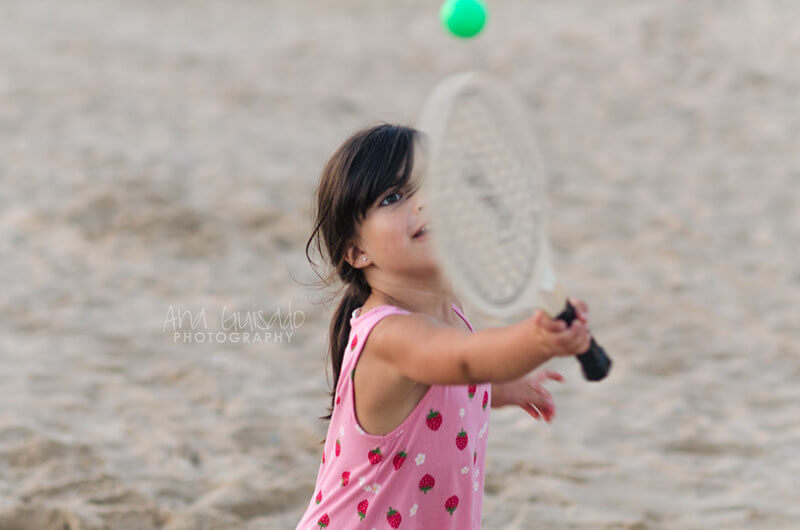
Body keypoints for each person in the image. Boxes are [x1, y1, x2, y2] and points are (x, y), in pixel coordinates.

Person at [297, 123, 592, 529]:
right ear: (357, 251)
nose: (423, 202)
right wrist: (538, 339)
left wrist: (496, 390)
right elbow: (466, 361)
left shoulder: (449, 317)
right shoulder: (389, 336)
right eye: (394, 197)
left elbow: (455, 375)